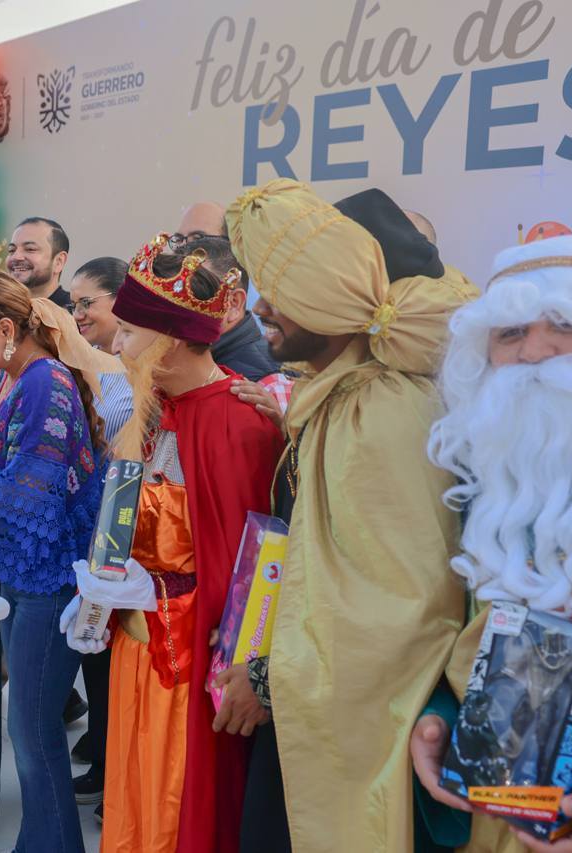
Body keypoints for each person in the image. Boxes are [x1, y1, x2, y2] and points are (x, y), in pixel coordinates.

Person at [224, 180, 475, 852]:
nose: (261, 306)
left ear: (335, 297)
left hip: (345, 716)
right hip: (305, 691)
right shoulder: (338, 392)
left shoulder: (383, 410)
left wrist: (265, 678)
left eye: (283, 290)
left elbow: (396, 614)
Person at [413, 234, 572, 853]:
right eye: (510, 333)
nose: (534, 352)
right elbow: (469, 633)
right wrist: (441, 719)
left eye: (564, 325)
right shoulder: (489, 481)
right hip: (499, 821)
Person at [65, 235, 284, 853]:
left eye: (130, 332)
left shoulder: (239, 422)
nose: (116, 344)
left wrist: (158, 595)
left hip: (189, 658)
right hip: (136, 644)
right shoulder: (151, 412)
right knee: (134, 785)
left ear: (172, 338)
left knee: (177, 797)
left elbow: (246, 575)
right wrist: (101, 596)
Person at [0, 267, 120, 853]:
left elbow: (23, 492)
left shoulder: (45, 382)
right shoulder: (14, 377)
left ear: (7, 329)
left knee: (33, 729)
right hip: (22, 572)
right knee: (30, 726)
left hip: (49, 577)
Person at [64, 255, 134, 807]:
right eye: (73, 305)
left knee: (116, 659)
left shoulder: (134, 374)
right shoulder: (88, 366)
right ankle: (105, 758)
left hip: (125, 533)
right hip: (93, 531)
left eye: (88, 302)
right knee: (96, 653)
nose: (78, 314)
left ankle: (119, 776)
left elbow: (112, 450)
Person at [173, 204, 277, 381]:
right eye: (179, 239)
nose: (185, 248)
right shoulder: (180, 358)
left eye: (198, 238)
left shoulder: (262, 381)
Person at [7, 216, 73, 308]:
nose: (15, 257)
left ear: (59, 262)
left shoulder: (75, 313)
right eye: (11, 250)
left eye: (30, 249)